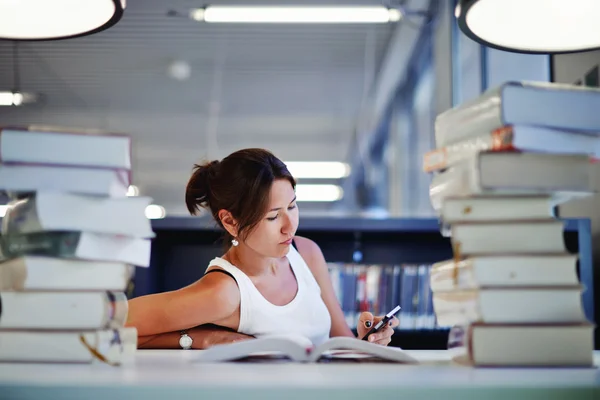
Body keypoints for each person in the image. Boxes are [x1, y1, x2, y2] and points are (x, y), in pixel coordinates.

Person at [126, 148, 399, 349]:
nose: (289, 226)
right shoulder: (225, 292)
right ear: (231, 222)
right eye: (272, 216)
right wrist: (203, 338)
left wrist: (369, 341)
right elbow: (115, 324)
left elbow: (341, 343)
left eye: (292, 206)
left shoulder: (306, 252)